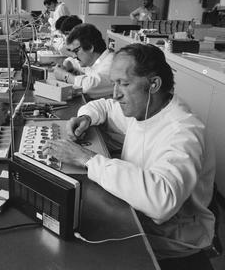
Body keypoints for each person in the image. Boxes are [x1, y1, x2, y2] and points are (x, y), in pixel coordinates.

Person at [43, 43, 216, 270]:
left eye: (124, 84)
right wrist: (86, 118)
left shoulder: (183, 132)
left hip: (172, 241)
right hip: (137, 215)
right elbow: (104, 106)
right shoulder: (144, 108)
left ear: (153, 84)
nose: (116, 93)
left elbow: (161, 202)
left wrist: (88, 159)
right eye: (114, 83)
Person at [53, 23, 114, 99]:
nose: (74, 55)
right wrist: (67, 63)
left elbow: (89, 86)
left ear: (90, 48)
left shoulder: (111, 63)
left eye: (76, 51)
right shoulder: (94, 61)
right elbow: (77, 63)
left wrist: (65, 76)